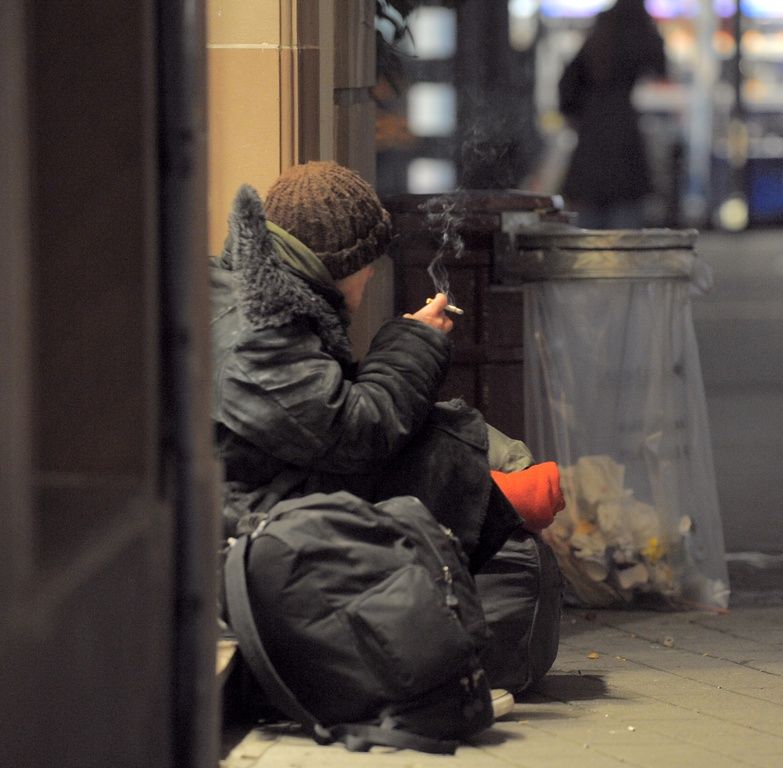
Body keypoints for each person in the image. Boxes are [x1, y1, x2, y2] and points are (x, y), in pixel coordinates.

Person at [210, 163, 565, 715]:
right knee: (500, 552)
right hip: (249, 533)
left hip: (265, 502)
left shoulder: (262, 300)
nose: (372, 277)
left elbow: (331, 417)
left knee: (434, 444)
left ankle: (504, 494)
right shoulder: (257, 329)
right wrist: (414, 343)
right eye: (366, 267)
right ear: (338, 267)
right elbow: (356, 432)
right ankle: (503, 503)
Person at [558, 0, 666, 229]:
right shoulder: (640, 26)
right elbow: (660, 67)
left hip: (591, 139)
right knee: (625, 237)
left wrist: (578, 116)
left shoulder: (601, 28)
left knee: (587, 237)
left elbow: (567, 85)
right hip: (625, 139)